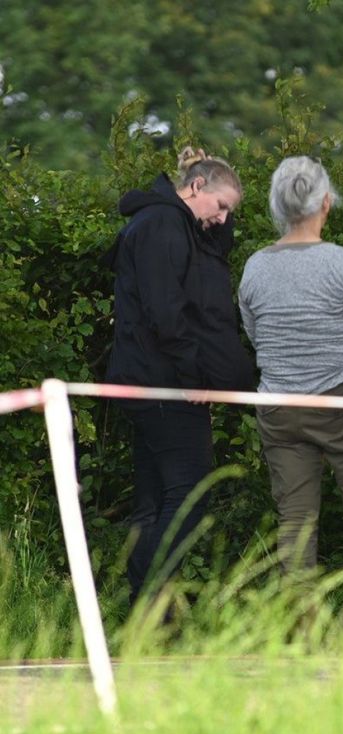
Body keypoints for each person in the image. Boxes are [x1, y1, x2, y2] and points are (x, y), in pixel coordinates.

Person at [238, 155, 343, 608]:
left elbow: (257, 336)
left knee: (294, 519)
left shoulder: (254, 267)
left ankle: (303, 624)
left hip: (278, 407)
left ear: (276, 205)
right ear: (326, 202)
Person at [105, 146, 254, 606]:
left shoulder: (174, 224)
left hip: (153, 379)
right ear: (194, 188)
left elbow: (211, 261)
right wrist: (194, 377)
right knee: (190, 494)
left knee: (156, 501)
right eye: (221, 206)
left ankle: (149, 615)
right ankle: (143, 584)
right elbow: (166, 314)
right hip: (165, 384)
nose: (222, 218)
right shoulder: (162, 226)